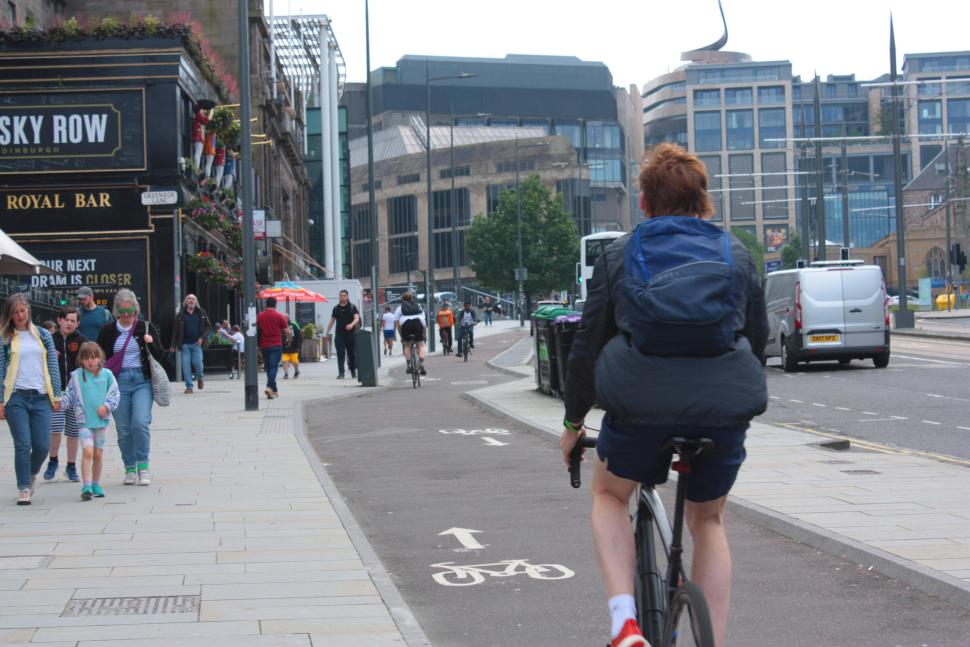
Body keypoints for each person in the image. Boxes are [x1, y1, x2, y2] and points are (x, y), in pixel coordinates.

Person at [560, 143, 768, 647]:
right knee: (708, 519)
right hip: (721, 406)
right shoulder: (735, 252)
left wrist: (573, 425)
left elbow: (588, 345)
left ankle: (625, 624)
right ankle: (711, 639)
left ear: (645, 201)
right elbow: (756, 338)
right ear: (703, 201)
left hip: (641, 402)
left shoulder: (619, 254)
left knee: (610, 494)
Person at [96, 289, 165, 487]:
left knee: (140, 423)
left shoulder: (145, 327)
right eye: (122, 311)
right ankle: (129, 468)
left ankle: (143, 467)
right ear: (116, 311)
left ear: (136, 310)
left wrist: (150, 344)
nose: (126, 316)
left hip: (142, 381)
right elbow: (99, 358)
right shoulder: (108, 331)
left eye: (130, 311)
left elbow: (161, 356)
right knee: (124, 429)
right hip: (118, 383)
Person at [0, 294, 62, 505]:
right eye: (15, 312)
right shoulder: (5, 338)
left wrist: (56, 394)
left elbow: (53, 365)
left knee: (43, 445)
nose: (19, 316)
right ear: (9, 315)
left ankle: (32, 473)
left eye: (22, 311)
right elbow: (0, 370)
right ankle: (24, 487)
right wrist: (0, 401)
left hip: (41, 397)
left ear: (28, 311)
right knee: (22, 444)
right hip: (16, 396)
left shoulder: (43, 334)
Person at [56, 342, 120, 501]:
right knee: (88, 451)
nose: (90, 361)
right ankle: (86, 485)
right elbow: (69, 396)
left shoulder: (107, 375)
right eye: (86, 358)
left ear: (100, 358)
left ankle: (96, 484)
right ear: (81, 360)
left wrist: (106, 406)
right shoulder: (77, 377)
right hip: (84, 422)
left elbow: (115, 394)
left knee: (98, 454)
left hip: (101, 422)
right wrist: (60, 404)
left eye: (94, 357)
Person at [44, 306, 87, 483]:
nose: (69, 323)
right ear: (59, 320)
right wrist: (48, 355)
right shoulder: (49, 339)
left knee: (73, 430)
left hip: (76, 391)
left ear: (77, 323)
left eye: (73, 321)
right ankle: (52, 460)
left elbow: (90, 361)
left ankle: (71, 465)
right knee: (55, 428)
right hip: (56, 390)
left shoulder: (82, 340)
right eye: (66, 320)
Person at [170, 294, 211, 394]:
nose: (191, 301)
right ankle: (189, 387)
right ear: (186, 301)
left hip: (197, 344)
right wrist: (173, 344)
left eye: (193, 299)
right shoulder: (181, 314)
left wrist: (202, 338)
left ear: (196, 302)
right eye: (189, 299)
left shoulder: (201, 313)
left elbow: (208, 327)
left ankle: (200, 378)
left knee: (198, 364)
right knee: (186, 365)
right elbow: (175, 331)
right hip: (185, 345)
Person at [256, 297, 289, 398]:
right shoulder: (279, 316)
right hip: (275, 344)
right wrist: (289, 338)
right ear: (276, 304)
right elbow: (287, 331)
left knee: (269, 367)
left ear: (266, 304)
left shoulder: (260, 316)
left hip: (264, 345)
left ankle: (274, 390)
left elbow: (257, 329)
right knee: (274, 367)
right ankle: (269, 387)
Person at [325, 290, 360, 380]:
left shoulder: (352, 307)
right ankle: (341, 373)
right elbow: (332, 320)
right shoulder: (336, 308)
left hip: (350, 335)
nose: (342, 297)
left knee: (351, 354)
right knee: (340, 354)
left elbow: (357, 318)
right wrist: (327, 332)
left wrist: (351, 325)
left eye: (344, 295)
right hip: (339, 334)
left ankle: (353, 371)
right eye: (341, 296)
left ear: (347, 296)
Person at [393, 293, 426, 375]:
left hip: (406, 325)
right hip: (417, 324)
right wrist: (424, 335)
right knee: (421, 345)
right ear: (412, 298)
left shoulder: (399, 308)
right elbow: (424, 323)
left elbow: (398, 324)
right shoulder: (418, 306)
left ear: (403, 299)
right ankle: (421, 364)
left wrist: (401, 336)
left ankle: (409, 365)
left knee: (407, 345)